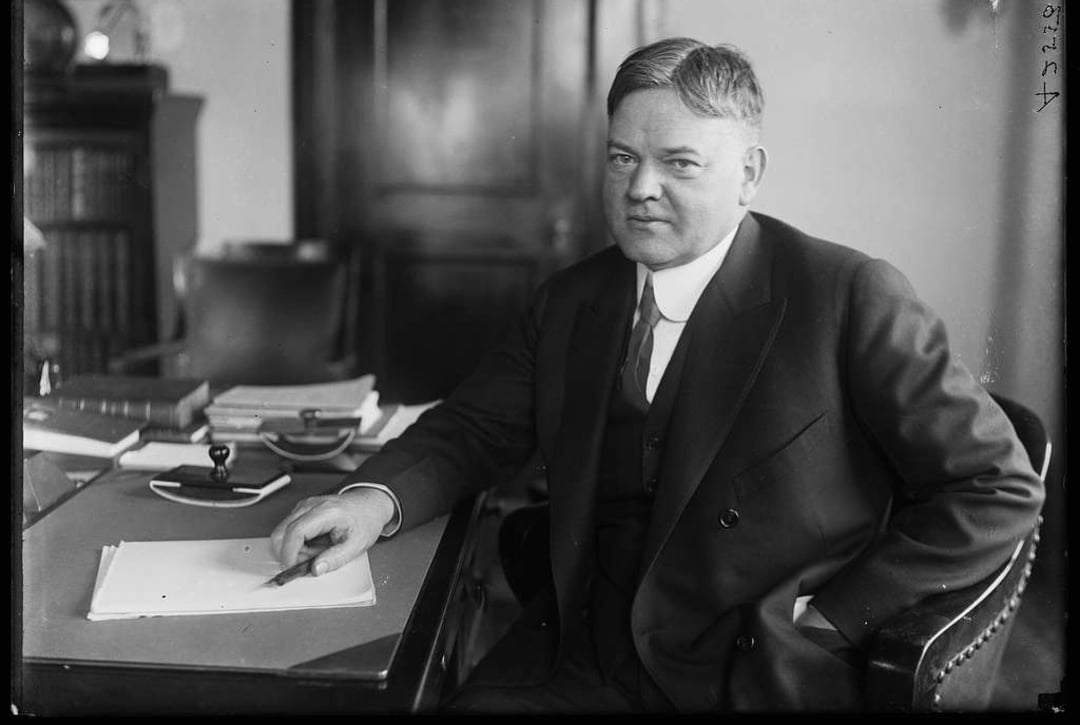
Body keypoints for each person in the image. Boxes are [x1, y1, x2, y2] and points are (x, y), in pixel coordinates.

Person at [270, 37, 1045, 712]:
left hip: (757, 669)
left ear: (749, 173)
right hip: (580, 654)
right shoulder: (572, 300)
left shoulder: (845, 295)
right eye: (622, 158)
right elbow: (472, 427)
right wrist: (370, 501)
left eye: (678, 163)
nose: (641, 188)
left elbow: (997, 486)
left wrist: (838, 616)